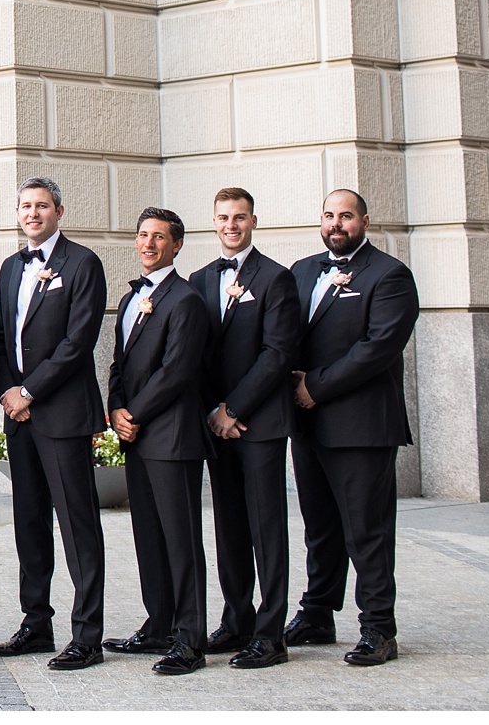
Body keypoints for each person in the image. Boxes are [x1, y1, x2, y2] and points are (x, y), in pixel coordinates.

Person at [285, 189, 418, 668]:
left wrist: (314, 386)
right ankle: (318, 614)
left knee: (368, 530)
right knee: (319, 528)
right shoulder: (301, 271)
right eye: (329, 215)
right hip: (307, 423)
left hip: (362, 425)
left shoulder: (390, 276)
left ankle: (379, 628)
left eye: (346, 215)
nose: (336, 223)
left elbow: (377, 347)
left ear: (364, 220)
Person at [0, 176, 109, 671]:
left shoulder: (83, 264)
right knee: (29, 523)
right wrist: (11, 393)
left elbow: (78, 342)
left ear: (59, 210)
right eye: (25, 206)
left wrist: (30, 391)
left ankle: (88, 636)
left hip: (61, 414)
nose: (33, 213)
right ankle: (36, 623)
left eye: (42, 206)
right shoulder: (12, 267)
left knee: (78, 526)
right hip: (21, 417)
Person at [189, 187, 300, 670]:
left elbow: (277, 354)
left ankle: (270, 633)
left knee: (266, 526)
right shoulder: (197, 279)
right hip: (216, 424)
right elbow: (194, 353)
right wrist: (212, 411)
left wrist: (233, 409)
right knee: (229, 525)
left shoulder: (276, 278)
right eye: (222, 218)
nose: (231, 225)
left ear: (254, 220)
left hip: (259, 422)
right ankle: (236, 619)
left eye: (239, 217)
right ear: (213, 223)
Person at [105, 207, 210, 676]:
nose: (148, 244)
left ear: (177, 245)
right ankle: (159, 625)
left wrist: (136, 414)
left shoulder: (184, 300)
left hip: (171, 436)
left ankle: (190, 639)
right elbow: (118, 365)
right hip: (137, 436)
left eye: (159, 237)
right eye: (143, 234)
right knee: (148, 535)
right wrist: (115, 411)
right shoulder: (131, 300)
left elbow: (176, 372)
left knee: (180, 539)